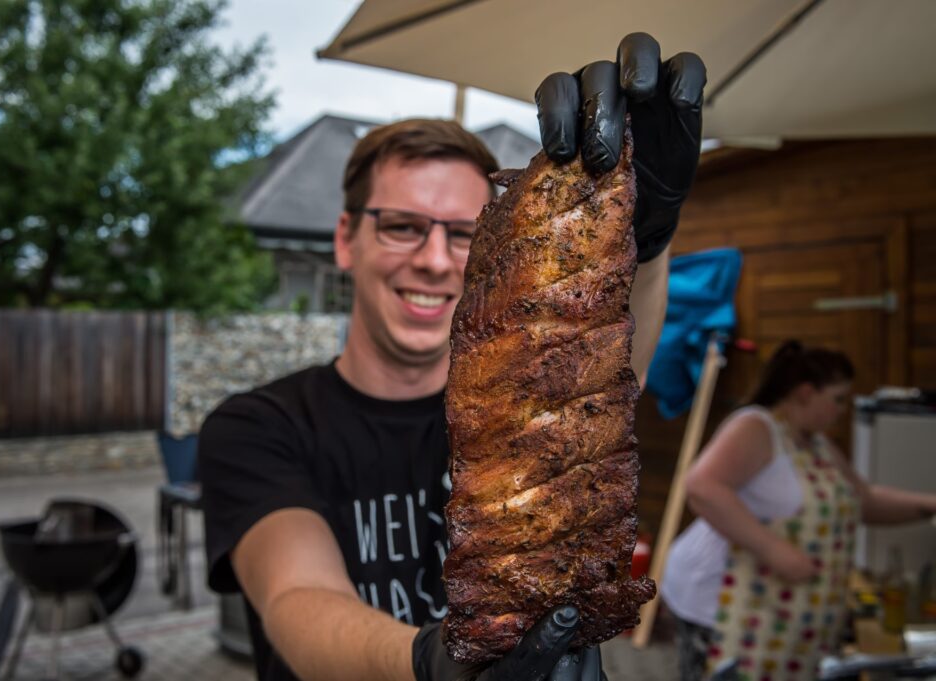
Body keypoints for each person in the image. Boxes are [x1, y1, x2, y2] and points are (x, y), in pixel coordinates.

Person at [199, 33, 707, 681]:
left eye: (465, 232)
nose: (436, 260)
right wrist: (428, 663)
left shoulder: (531, 404)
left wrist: (644, 240)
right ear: (346, 240)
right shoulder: (258, 426)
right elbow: (297, 599)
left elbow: (610, 368)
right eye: (402, 226)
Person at [661, 341, 936, 681]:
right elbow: (702, 487)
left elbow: (864, 501)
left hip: (780, 609)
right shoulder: (756, 426)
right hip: (720, 599)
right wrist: (773, 549)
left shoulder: (816, 442)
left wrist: (929, 504)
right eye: (837, 399)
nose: (841, 410)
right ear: (806, 393)